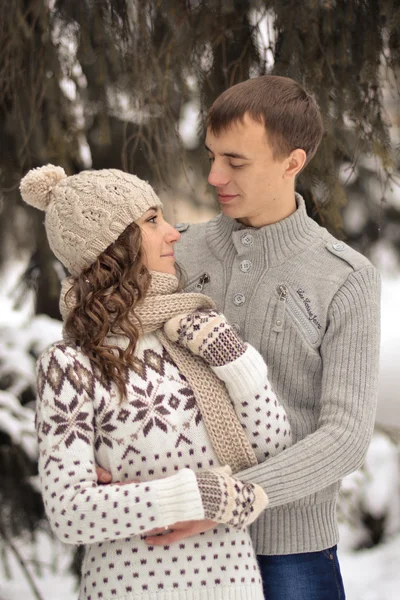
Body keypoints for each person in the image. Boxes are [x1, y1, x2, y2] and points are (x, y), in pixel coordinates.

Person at [133, 75, 380, 599]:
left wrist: (231, 497)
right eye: (212, 156)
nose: (214, 175)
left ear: (293, 162)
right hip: (174, 548)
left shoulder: (347, 277)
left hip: (289, 553)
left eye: (236, 161)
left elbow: (344, 436)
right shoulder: (179, 252)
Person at [20, 165, 292, 600]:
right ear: (111, 246)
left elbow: (274, 448)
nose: (172, 233)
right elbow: (70, 512)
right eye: (151, 220)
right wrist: (196, 493)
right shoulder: (71, 364)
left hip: (233, 586)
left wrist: (236, 360)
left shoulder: (195, 331)